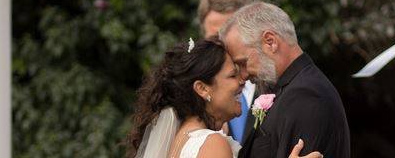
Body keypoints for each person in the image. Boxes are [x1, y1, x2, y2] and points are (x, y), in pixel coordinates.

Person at [126, 38, 321, 158]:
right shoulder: (211, 143)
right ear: (202, 89)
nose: (242, 81)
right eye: (232, 75)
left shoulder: (181, 139)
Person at [220, 1, 351, 158]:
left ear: (270, 41)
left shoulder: (306, 95)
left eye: (243, 63)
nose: (244, 75)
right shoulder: (291, 88)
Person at [197, 0, 255, 145]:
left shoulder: (275, 84)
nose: (223, 46)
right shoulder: (194, 95)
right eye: (215, 39)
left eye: (231, 36)